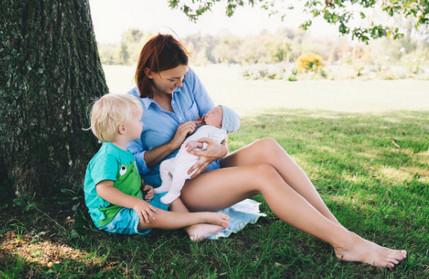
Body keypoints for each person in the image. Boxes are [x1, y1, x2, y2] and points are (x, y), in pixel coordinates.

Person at [128, 34, 407, 268]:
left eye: (182, 77)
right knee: (263, 174)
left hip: (212, 166)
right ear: (150, 72)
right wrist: (172, 145)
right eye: (172, 80)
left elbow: (217, 127)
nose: (180, 85)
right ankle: (346, 243)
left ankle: (340, 233)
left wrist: (218, 150)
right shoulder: (131, 105)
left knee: (268, 147)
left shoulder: (188, 81)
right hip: (182, 186)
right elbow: (133, 165)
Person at [83, 94, 229, 241]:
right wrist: (136, 203)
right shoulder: (107, 156)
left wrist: (143, 187)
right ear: (123, 128)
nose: (142, 124)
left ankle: (193, 228)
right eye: (138, 120)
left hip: (134, 203)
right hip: (114, 215)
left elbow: (127, 177)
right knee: (150, 216)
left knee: (169, 195)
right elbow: (104, 190)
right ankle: (199, 218)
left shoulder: (123, 150)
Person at [155, 105, 240, 204]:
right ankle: (166, 185)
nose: (208, 112)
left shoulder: (219, 132)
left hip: (191, 163)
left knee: (179, 174)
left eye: (213, 113)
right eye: (210, 110)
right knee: (165, 165)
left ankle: (174, 192)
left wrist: (199, 144)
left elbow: (212, 146)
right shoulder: (207, 127)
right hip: (181, 158)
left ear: (222, 124)